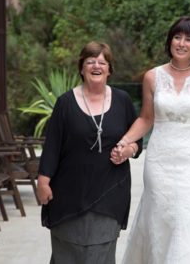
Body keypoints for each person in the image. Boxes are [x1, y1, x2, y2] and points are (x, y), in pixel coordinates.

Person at [115, 16, 190, 263]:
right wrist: (124, 141)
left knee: (188, 220)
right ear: (169, 41)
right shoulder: (152, 77)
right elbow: (146, 118)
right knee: (161, 221)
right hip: (159, 161)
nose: (181, 43)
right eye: (177, 37)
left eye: (188, 39)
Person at [37, 41, 142, 264]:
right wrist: (43, 181)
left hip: (110, 189)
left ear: (110, 69)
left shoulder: (122, 101)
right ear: (81, 68)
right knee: (67, 251)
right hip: (68, 193)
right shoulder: (64, 103)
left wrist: (128, 150)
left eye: (102, 62)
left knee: (101, 252)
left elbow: (137, 140)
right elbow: (52, 146)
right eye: (90, 61)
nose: (97, 66)